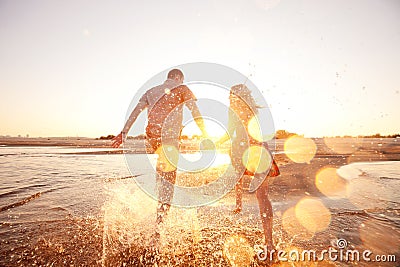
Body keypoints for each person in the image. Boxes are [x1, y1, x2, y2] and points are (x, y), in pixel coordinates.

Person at [112, 69, 208, 226]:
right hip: (169, 138)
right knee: (169, 181)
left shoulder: (150, 91)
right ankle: (159, 227)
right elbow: (195, 111)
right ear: (178, 77)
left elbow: (136, 112)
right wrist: (205, 133)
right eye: (181, 80)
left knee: (162, 172)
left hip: (153, 137)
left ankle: (159, 200)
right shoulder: (182, 88)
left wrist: (124, 133)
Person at [216, 84, 279, 251]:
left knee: (245, 179)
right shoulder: (252, 109)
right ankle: (269, 243)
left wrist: (217, 142)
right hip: (257, 149)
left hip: (245, 149)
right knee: (262, 196)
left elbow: (230, 131)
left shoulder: (234, 110)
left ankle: (239, 204)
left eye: (231, 95)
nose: (230, 98)